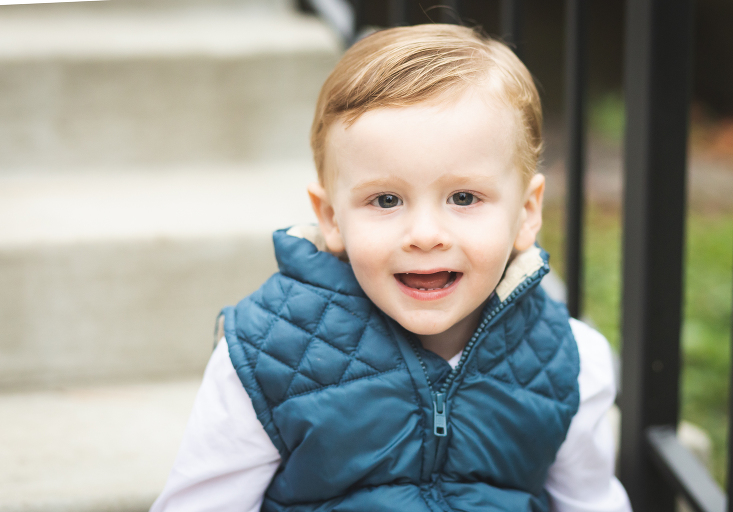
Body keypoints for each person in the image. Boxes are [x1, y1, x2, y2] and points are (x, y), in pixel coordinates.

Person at [151, 24, 632, 512]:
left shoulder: (569, 362)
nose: (425, 234)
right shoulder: (266, 356)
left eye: (464, 197)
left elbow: (591, 503)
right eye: (386, 200)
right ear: (331, 218)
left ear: (527, 212)